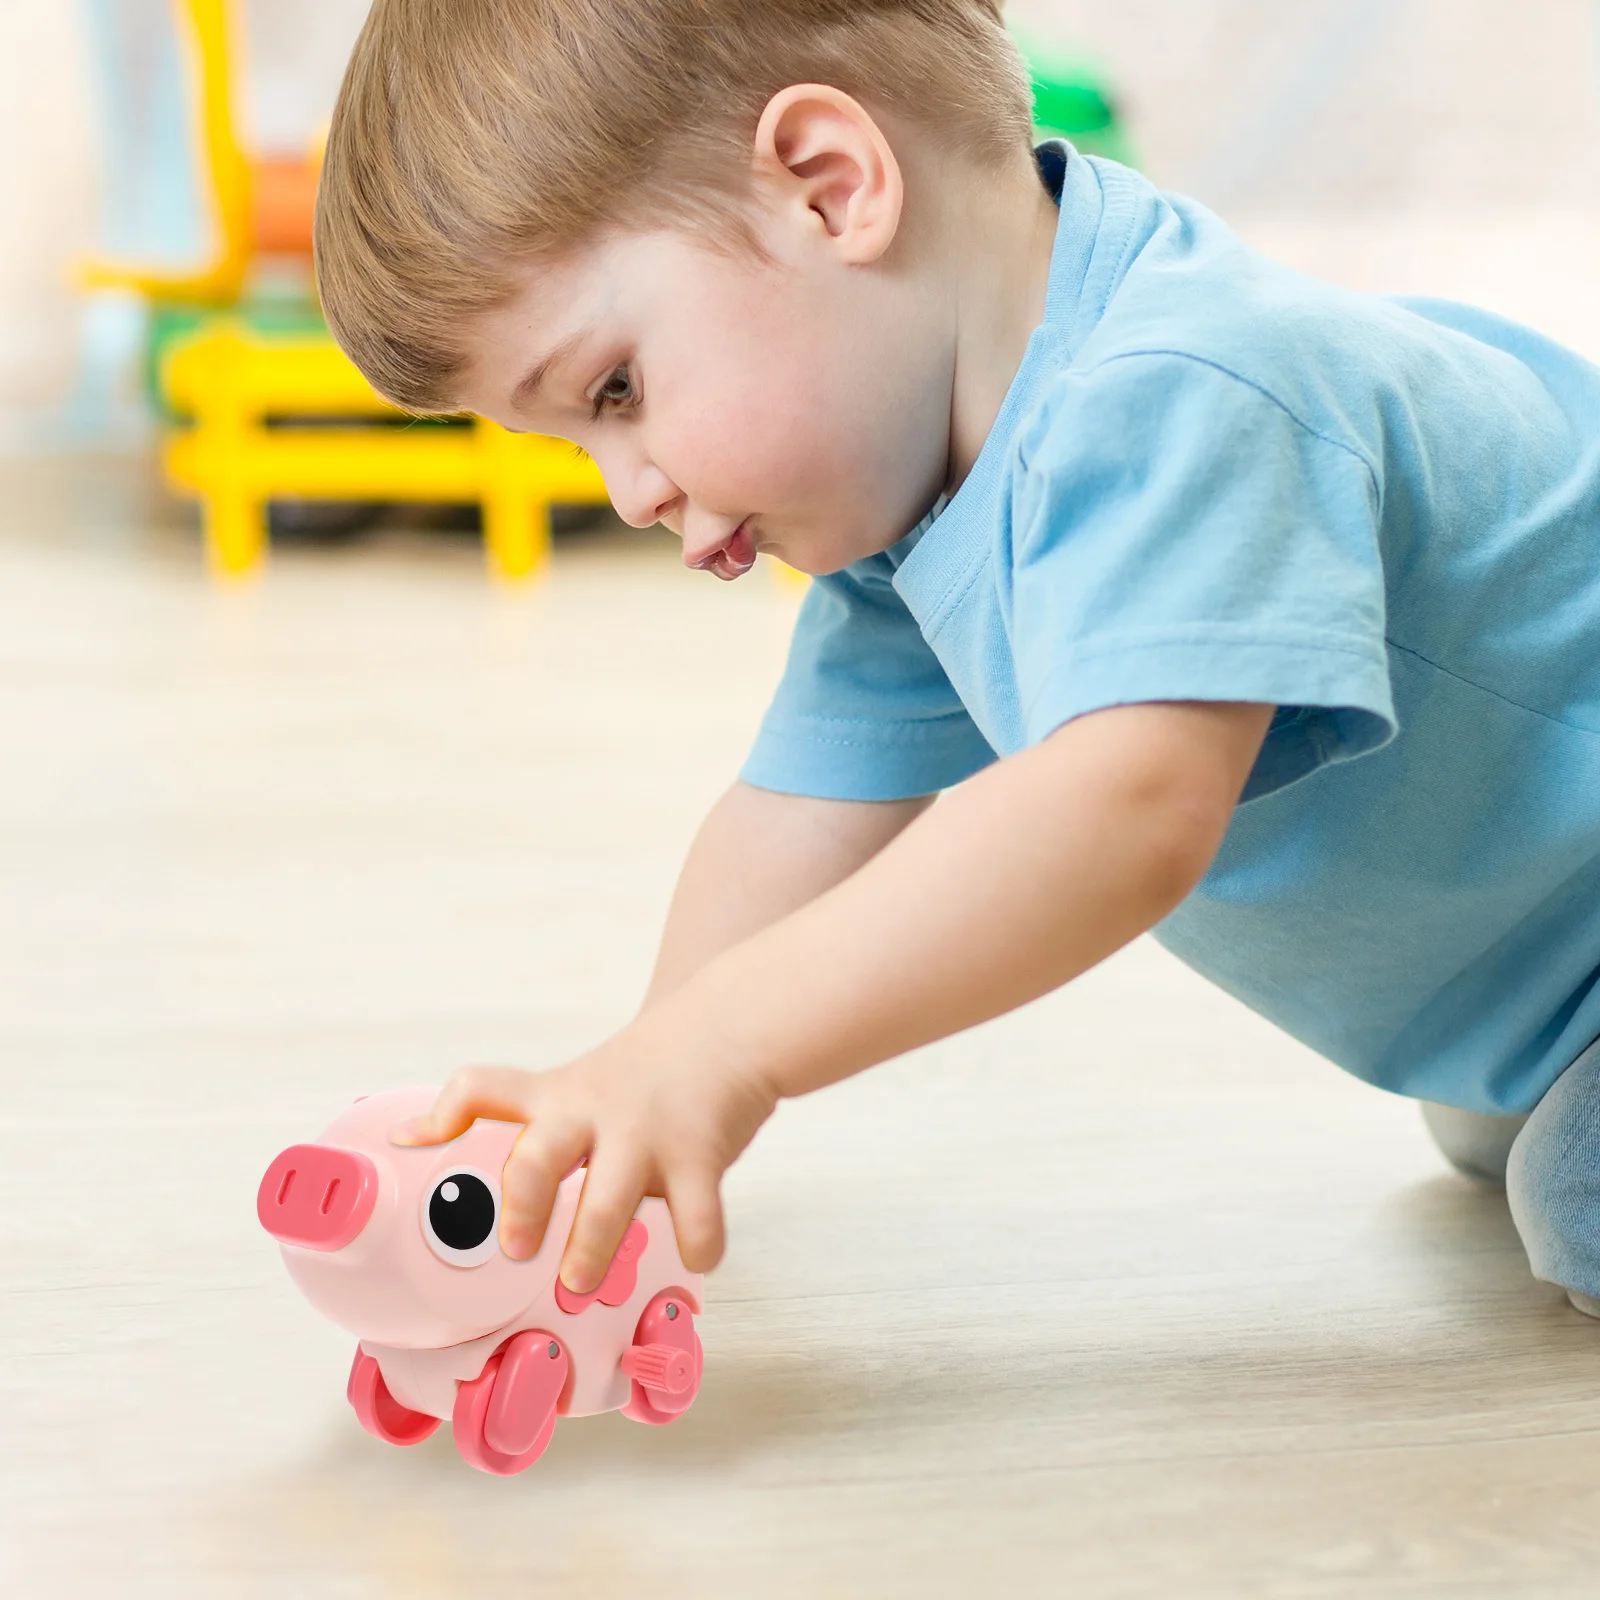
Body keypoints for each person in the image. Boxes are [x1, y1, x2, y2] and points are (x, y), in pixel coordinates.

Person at [313, 0, 1600, 1318]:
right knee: (1499, 1128)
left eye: (616, 394)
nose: (630, 491)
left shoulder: (1185, 389)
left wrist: (731, 1045)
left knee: (1573, 1197)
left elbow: (1129, 807)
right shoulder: (913, 499)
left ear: (828, 188)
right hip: (1539, 979)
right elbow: (797, 812)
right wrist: (640, 1089)